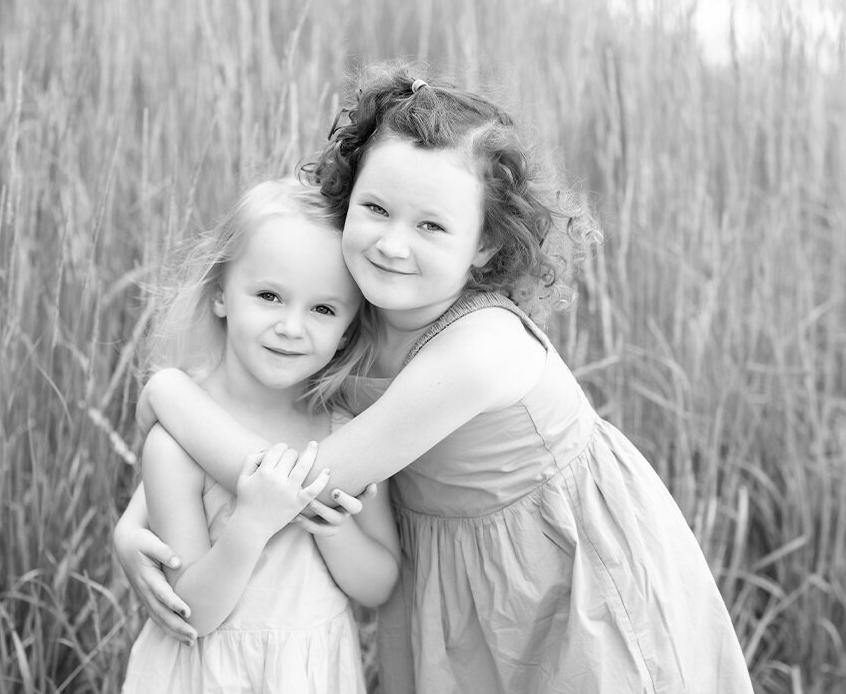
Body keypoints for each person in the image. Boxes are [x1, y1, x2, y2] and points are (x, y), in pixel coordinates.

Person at [117, 64, 754, 693]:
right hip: (455, 573)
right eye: (375, 209)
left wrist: (165, 393)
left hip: (558, 569)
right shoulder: (352, 310)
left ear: (483, 244)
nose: (394, 244)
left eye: (432, 226)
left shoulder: (477, 351)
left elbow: (298, 486)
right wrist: (134, 522)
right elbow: (244, 441)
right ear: (348, 201)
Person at [119, 176, 400, 694]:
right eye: (269, 296)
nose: (292, 327)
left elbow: (379, 584)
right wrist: (250, 524)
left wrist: (335, 530)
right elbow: (191, 613)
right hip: (207, 675)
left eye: (322, 309)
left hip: (310, 674)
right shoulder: (177, 444)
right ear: (221, 294)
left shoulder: (346, 434)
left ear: (347, 330)